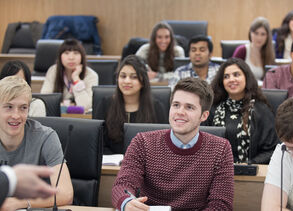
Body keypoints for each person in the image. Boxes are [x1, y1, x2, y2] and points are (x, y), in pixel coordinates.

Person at [112, 78, 234, 210]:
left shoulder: (221, 149)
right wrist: (127, 202)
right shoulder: (142, 142)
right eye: (176, 105)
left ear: (204, 116)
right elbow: (123, 184)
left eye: (189, 107)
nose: (180, 112)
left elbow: (221, 204)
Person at [0, 76, 73, 210]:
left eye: (23, 108)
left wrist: (19, 202)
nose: (16, 115)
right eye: (9, 107)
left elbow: (66, 193)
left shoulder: (46, 137)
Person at [204, 58, 278, 164]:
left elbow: (272, 149)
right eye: (226, 76)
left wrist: (248, 164)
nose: (231, 79)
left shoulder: (261, 109)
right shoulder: (212, 108)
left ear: (246, 78)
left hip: (251, 174)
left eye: (236, 75)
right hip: (216, 171)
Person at [95, 55, 168, 154]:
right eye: (123, 76)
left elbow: (161, 145)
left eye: (134, 77)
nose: (127, 81)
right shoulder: (105, 104)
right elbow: (98, 143)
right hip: (111, 165)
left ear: (143, 81)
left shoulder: (156, 107)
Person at [41, 38, 98, 111]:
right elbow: (45, 100)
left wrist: (76, 79)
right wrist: (67, 107)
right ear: (60, 56)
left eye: (76, 53)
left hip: (82, 119)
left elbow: (86, 106)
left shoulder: (91, 75)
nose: (71, 58)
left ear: (82, 56)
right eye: (66, 53)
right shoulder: (53, 71)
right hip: (57, 116)